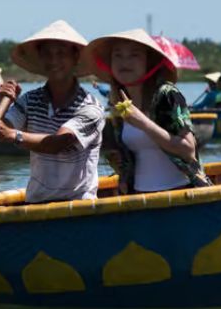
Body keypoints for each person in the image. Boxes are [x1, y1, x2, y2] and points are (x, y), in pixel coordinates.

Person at [0, 20, 105, 203]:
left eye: (61, 53)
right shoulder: (30, 101)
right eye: (47, 54)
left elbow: (59, 143)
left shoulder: (91, 107)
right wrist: (2, 104)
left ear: (75, 58)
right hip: (37, 201)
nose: (54, 61)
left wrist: (12, 135)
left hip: (78, 205)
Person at [88, 29, 211, 195]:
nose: (125, 61)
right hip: (139, 196)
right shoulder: (119, 101)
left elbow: (188, 149)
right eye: (118, 55)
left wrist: (143, 123)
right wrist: (123, 175)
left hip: (181, 193)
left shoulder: (167, 95)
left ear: (149, 62)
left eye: (134, 55)